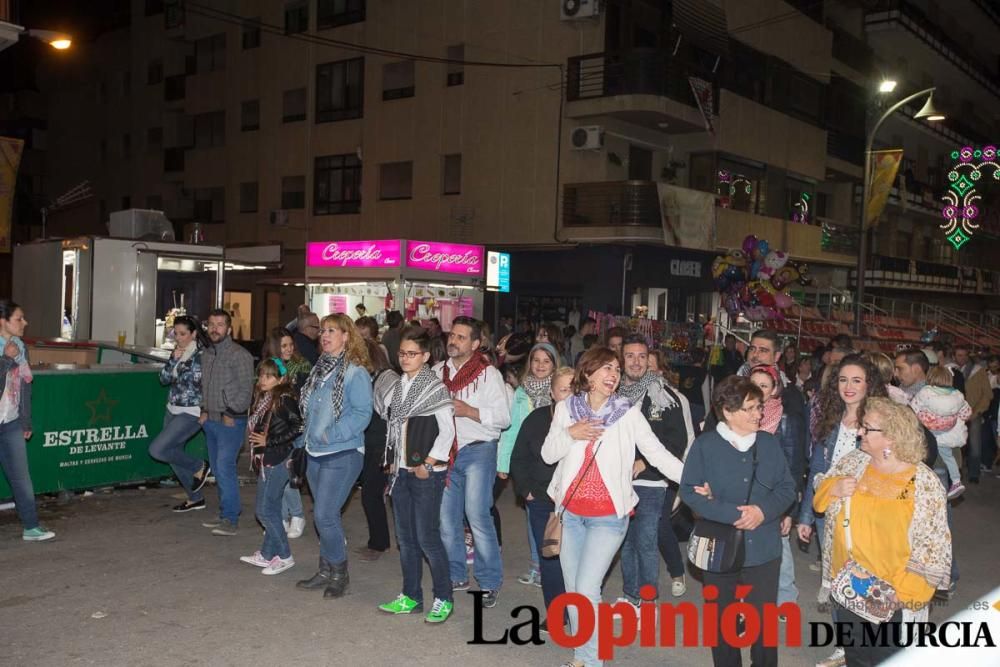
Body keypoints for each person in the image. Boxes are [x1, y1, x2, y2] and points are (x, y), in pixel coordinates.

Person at [542, 346, 684, 667]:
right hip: (571, 515)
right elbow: (549, 454)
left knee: (588, 588)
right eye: (607, 368)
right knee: (574, 588)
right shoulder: (567, 409)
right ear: (588, 373)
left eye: (616, 370)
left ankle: (592, 662)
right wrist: (571, 433)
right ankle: (582, 655)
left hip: (608, 517)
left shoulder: (627, 412)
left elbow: (658, 454)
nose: (614, 374)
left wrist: (691, 481)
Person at [813, 398, 951, 667]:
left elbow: (934, 547)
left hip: (894, 593)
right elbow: (820, 500)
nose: (859, 432)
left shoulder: (923, 483)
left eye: (868, 428)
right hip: (851, 584)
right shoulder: (855, 463)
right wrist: (834, 488)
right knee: (856, 656)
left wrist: (901, 594)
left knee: (887, 658)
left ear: (891, 436)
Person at [681, 376, 796, 667]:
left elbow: (787, 488)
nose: (759, 414)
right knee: (722, 623)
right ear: (729, 412)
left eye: (759, 407)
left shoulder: (769, 444)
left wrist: (762, 512)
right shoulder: (705, 446)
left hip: (764, 548)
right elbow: (689, 492)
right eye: (751, 408)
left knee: (764, 626)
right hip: (718, 545)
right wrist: (734, 515)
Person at [376, 327, 456, 623]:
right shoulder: (398, 387)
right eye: (402, 353)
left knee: (427, 538)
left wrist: (429, 462)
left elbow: (447, 431)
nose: (405, 358)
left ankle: (443, 597)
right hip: (399, 472)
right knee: (406, 539)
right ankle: (410, 595)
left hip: (426, 474)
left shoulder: (435, 388)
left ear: (425, 356)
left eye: (412, 354)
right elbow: (393, 427)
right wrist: (392, 460)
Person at [296, 314, 374, 599]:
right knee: (326, 516)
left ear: (346, 336)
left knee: (324, 514)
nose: (324, 335)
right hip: (315, 452)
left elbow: (363, 413)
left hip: (343, 451)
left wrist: (331, 434)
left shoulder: (356, 372)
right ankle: (326, 569)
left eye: (332, 331)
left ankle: (340, 572)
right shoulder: (320, 368)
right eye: (323, 331)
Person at [434, 316, 510, 607]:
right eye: (452, 335)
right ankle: (456, 574)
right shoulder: (437, 371)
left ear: (476, 344)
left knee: (477, 514)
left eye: (461, 337)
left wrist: (470, 411)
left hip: (479, 448)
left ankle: (489, 581)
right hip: (445, 451)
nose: (453, 341)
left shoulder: (488, 374)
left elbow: (503, 419)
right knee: (446, 519)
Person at [616, 334, 695, 608]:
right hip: (620, 481)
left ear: (649, 360)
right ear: (621, 359)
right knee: (625, 542)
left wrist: (645, 463)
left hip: (653, 482)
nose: (636, 362)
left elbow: (678, 440)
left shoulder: (665, 396)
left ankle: (647, 601)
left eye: (641, 356)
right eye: (630, 356)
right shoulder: (613, 394)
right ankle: (631, 597)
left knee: (646, 541)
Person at [509, 366, 573, 629]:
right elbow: (519, 457)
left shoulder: (587, 422)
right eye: (563, 389)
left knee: (578, 561)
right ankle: (557, 613)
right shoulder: (536, 420)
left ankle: (579, 608)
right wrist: (527, 491)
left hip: (577, 502)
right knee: (551, 559)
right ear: (552, 393)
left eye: (574, 389)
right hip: (543, 502)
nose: (568, 395)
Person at [497, 342, 560, 588]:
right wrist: (503, 462)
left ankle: (555, 564)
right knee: (534, 514)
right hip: (530, 464)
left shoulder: (563, 390)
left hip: (555, 464)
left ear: (555, 365)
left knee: (556, 517)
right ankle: (538, 565)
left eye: (547, 361)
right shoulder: (521, 393)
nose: (541, 365)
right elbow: (511, 431)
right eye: (536, 360)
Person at [748, 365, 806, 610]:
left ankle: (785, 597)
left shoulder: (784, 419)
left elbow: (793, 466)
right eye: (754, 384)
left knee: (779, 546)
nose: (758, 390)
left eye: (764, 385)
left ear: (774, 390)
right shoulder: (740, 416)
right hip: (745, 491)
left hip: (774, 495)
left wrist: (789, 511)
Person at [239, 358, 304, 575]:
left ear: (281, 378)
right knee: (270, 508)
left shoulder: (283, 398)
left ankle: (284, 556)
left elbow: (298, 425)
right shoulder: (268, 398)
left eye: (269, 376)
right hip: (267, 459)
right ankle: (267, 554)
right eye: (261, 375)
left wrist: (271, 441)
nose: (263, 380)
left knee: (265, 511)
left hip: (277, 460)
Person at [0, 300, 54, 542]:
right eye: (18, 319)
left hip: (10, 421)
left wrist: (26, 421)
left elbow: (25, 388)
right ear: (3, 322)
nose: (25, 323)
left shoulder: (20, 347)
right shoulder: (10, 352)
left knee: (21, 476)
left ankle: (31, 526)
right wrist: (5, 359)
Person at [199, 309, 254, 537]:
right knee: (219, 470)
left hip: (230, 422)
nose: (215, 328)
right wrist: (203, 409)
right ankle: (225, 513)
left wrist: (231, 412)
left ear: (229, 329)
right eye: (211, 324)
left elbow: (246, 390)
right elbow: (206, 385)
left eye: (220, 324)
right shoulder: (207, 354)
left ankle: (231, 518)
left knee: (225, 468)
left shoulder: (239, 355)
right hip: (210, 420)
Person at [149, 315, 210, 513]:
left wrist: (206, 409)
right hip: (172, 409)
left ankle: (200, 465)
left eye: (183, 334)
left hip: (192, 412)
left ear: (193, 334)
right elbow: (163, 379)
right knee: (172, 455)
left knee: (157, 450)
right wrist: (172, 361)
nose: (179, 338)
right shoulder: (177, 353)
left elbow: (205, 385)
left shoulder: (202, 356)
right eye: (176, 333)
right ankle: (195, 498)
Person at [262, 326, 312, 538]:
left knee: (288, 473)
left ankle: (298, 515)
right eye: (283, 345)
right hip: (274, 429)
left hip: (295, 427)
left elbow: (302, 397)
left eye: (291, 344)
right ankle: (280, 518)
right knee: (276, 476)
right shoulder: (271, 367)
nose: (289, 349)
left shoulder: (302, 366)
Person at [354, 336, 394, 562]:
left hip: (382, 445)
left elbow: (396, 414)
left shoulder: (386, 378)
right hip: (373, 443)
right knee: (371, 494)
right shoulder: (371, 377)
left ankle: (379, 544)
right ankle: (378, 542)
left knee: (371, 494)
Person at [911, 366, 971, 499]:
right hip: (947, 437)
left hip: (929, 435)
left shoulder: (925, 392)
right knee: (949, 458)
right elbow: (966, 413)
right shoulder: (958, 395)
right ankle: (956, 481)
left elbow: (913, 409)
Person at [954, 345, 991, 484]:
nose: (961, 358)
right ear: (954, 356)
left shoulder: (979, 371)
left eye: (964, 355)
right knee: (955, 445)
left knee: (975, 445)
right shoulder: (952, 370)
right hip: (956, 413)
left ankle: (974, 473)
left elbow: (987, 394)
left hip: (974, 412)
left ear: (968, 356)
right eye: (959, 355)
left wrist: (977, 412)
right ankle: (956, 473)